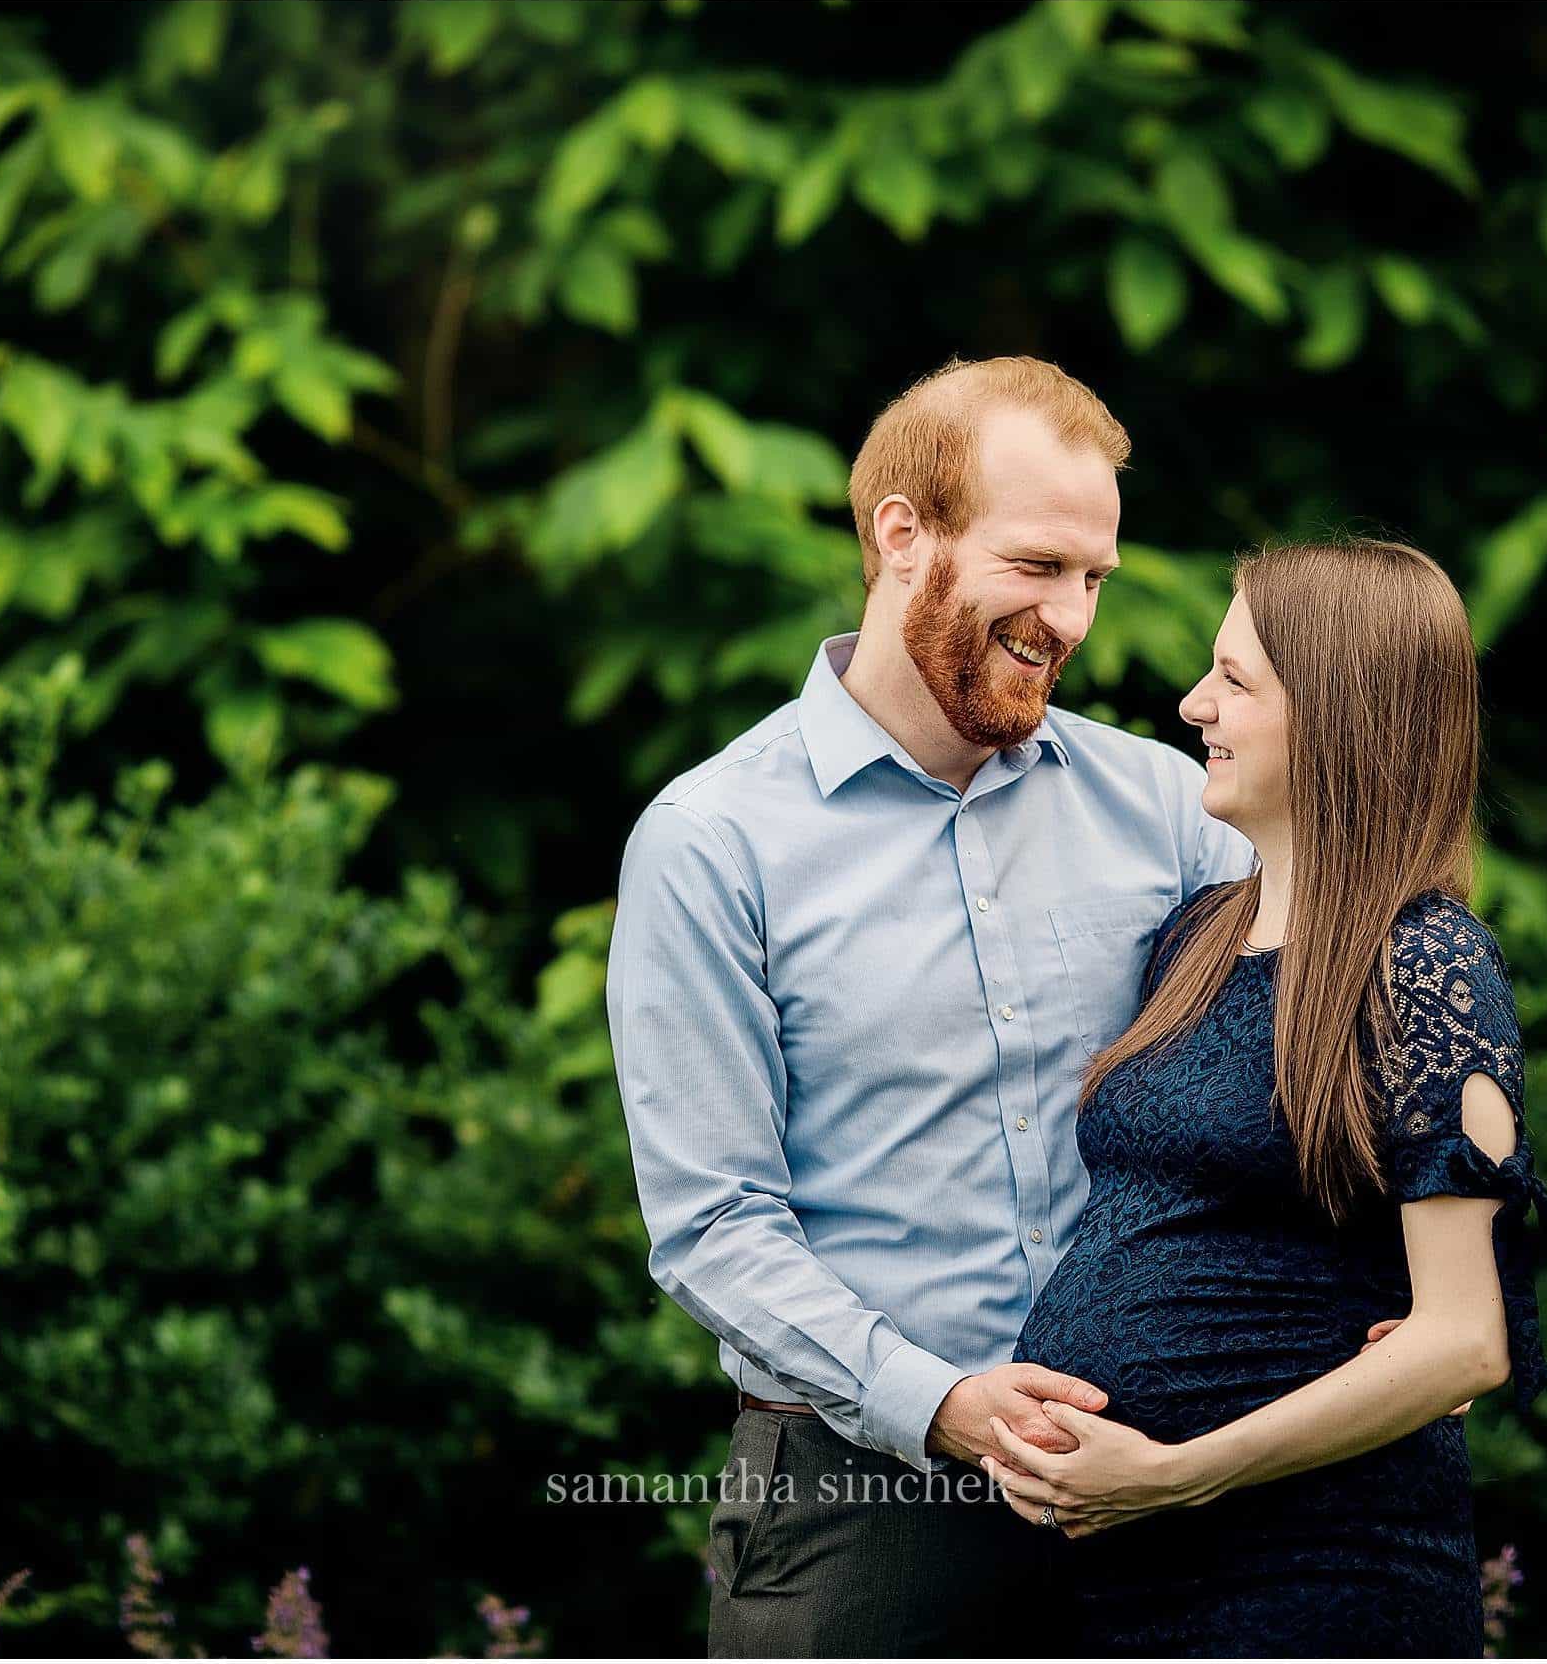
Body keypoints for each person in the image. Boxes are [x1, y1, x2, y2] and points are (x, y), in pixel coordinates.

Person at [604, 358, 1426, 1656]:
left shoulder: (1170, 810)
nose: (1073, 616)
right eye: (1039, 564)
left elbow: (1327, 1044)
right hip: (861, 1504)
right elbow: (714, 1226)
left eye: (1094, 576)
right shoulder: (712, 844)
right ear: (901, 535)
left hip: (1165, 1481)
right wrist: (943, 1402)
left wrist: (1403, 1274)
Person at [986, 538, 1547, 1658]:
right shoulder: (1197, 937)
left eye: (1235, 680)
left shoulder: (1428, 963)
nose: (1195, 701)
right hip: (1109, 1573)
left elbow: (1462, 1341)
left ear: (1341, 713)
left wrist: (1174, 1473)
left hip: (1309, 1569)